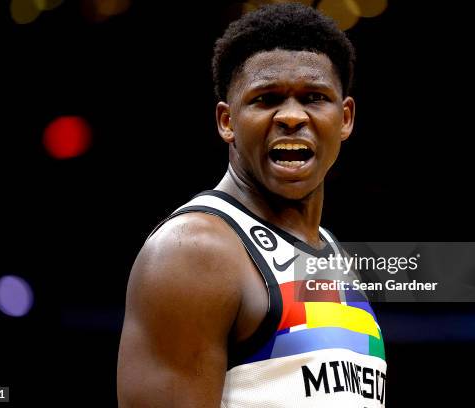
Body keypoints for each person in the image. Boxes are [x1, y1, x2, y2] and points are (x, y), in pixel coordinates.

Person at [117, 3, 386, 407]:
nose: (292, 116)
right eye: (266, 98)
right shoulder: (194, 251)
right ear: (227, 121)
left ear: (345, 117)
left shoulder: (332, 252)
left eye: (314, 97)